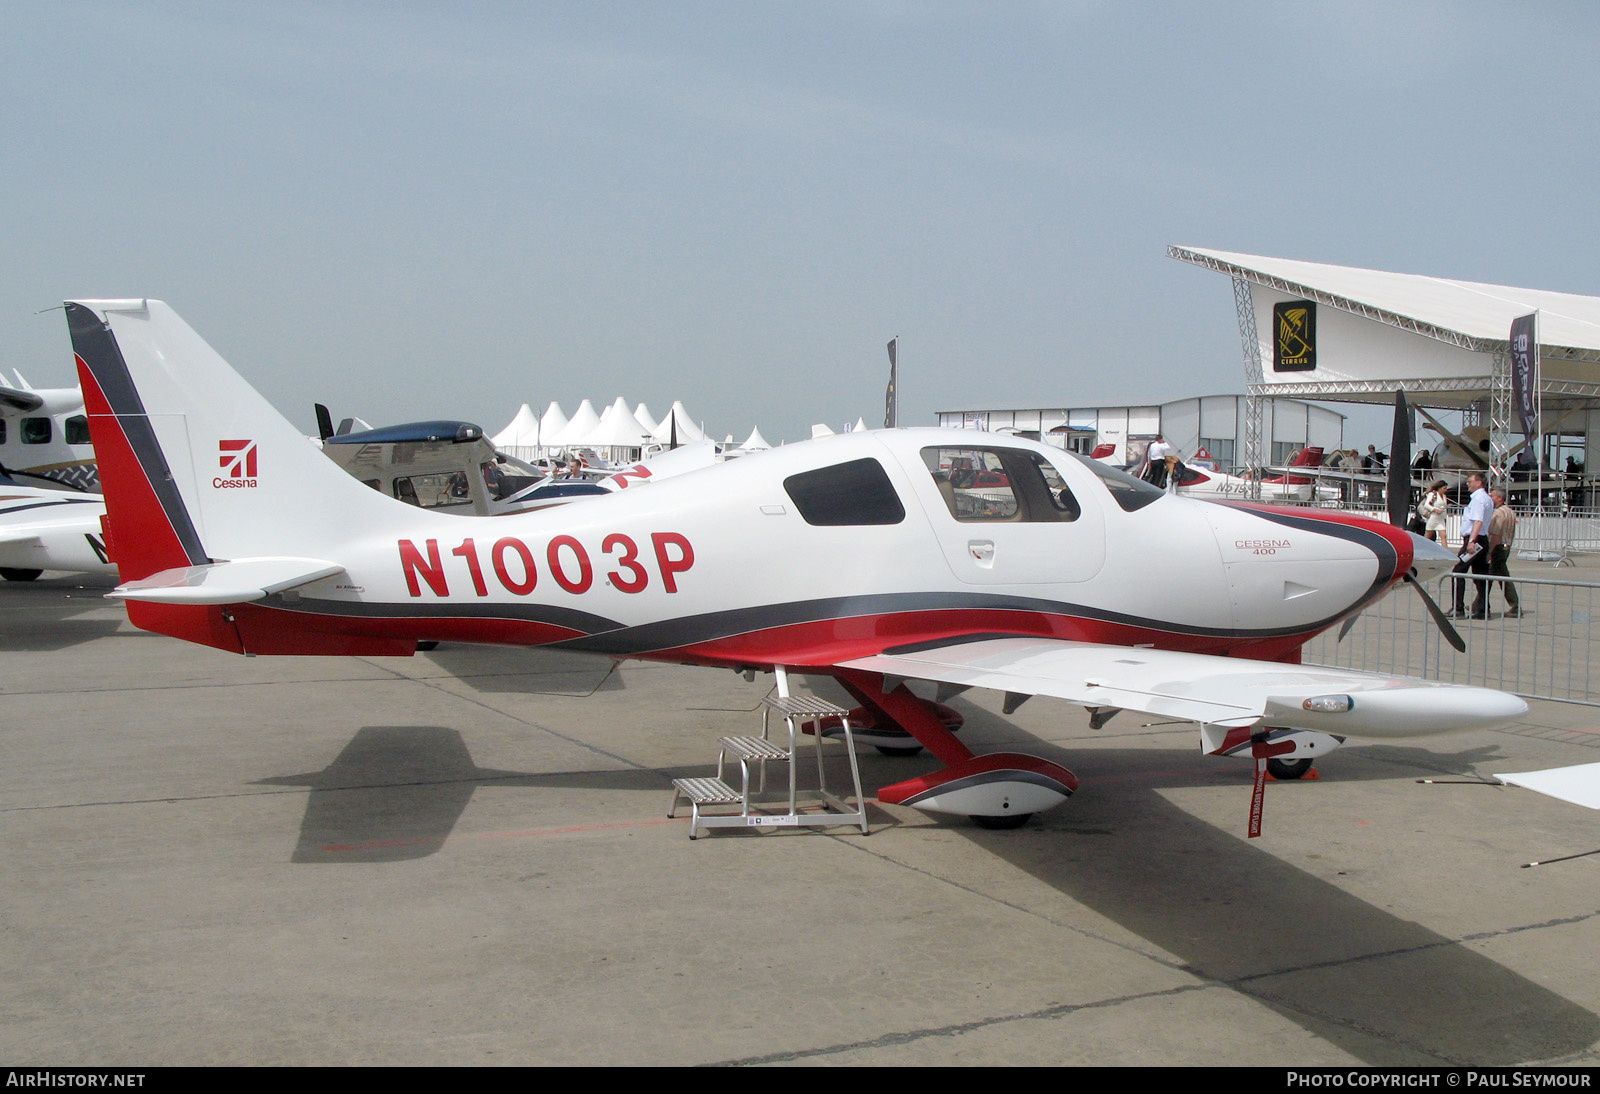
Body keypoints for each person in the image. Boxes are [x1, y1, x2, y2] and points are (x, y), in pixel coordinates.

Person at [1451, 472, 1493, 619]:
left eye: (1470, 481)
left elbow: (1478, 521)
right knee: (1480, 575)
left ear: (1479, 483)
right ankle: (1483, 609)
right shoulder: (1485, 498)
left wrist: (1472, 541)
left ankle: (1458, 608)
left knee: (1457, 571)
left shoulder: (1479, 499)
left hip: (1475, 540)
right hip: (1481, 539)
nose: (1467, 483)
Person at [1488, 487, 1520, 618]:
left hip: (1498, 547)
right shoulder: (1510, 512)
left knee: (1494, 576)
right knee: (1494, 575)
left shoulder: (1498, 513)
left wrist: (1489, 551)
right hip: (1506, 546)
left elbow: (1495, 534)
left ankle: (1515, 605)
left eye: (1493, 496)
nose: (1490, 498)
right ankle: (1478, 602)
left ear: (1500, 498)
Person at [1418, 480, 1450, 549]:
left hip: (1440, 518)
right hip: (1433, 517)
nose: (1445, 490)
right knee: (1428, 535)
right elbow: (1426, 505)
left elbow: (1444, 507)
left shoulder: (1444, 496)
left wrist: (1445, 516)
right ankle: (1422, 548)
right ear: (1439, 488)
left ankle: (1446, 551)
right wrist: (1435, 509)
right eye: (1444, 488)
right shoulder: (1433, 494)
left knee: (1443, 535)